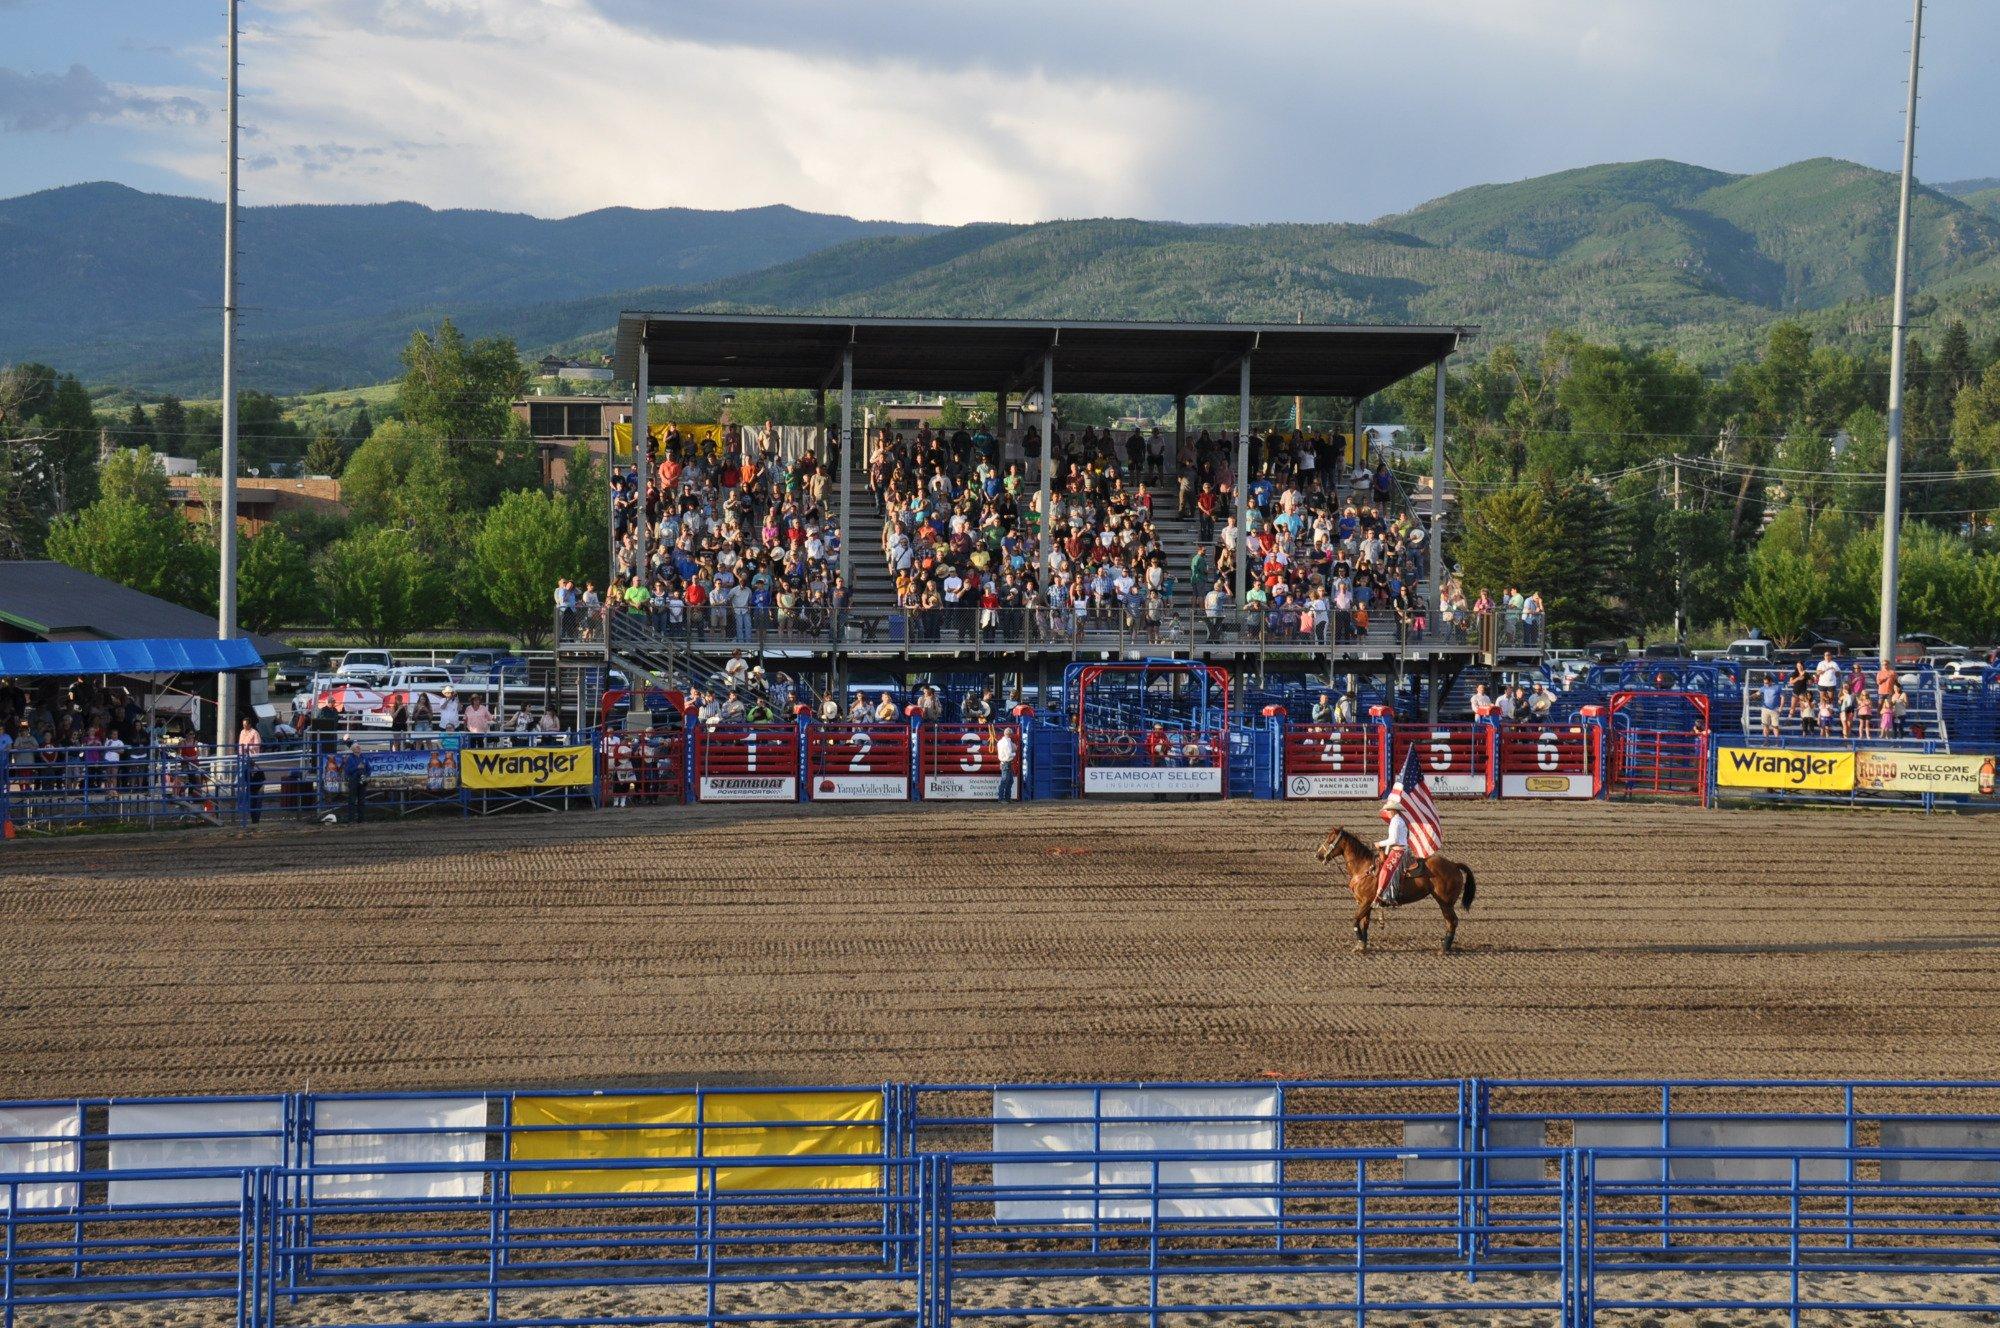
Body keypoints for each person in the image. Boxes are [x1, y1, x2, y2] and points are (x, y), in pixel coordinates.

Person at [1374, 787, 1410, 908]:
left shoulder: (1395, 822)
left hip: (1399, 851)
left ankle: (1383, 895)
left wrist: (1379, 844)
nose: (1387, 812)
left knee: (1386, 870)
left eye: (1388, 810)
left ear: (1393, 810)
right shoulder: (1398, 820)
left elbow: (1393, 840)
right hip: (1400, 848)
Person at [341, 742, 370, 823]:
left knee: (362, 800)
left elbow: (369, 768)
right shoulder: (350, 759)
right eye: (357, 747)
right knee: (352, 800)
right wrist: (357, 767)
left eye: (359, 747)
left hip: (362, 779)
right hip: (353, 780)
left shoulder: (363, 757)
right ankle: (351, 819)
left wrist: (367, 776)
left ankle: (361, 819)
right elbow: (347, 771)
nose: (359, 748)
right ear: (353, 749)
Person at [995, 724, 1019, 802]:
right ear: (1010, 735)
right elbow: (1009, 755)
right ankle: (1002, 799)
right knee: (1005, 781)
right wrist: (1014, 754)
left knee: (1007, 781)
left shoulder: (1000, 742)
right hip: (1006, 763)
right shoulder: (1007, 743)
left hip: (1003, 763)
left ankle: (1006, 798)